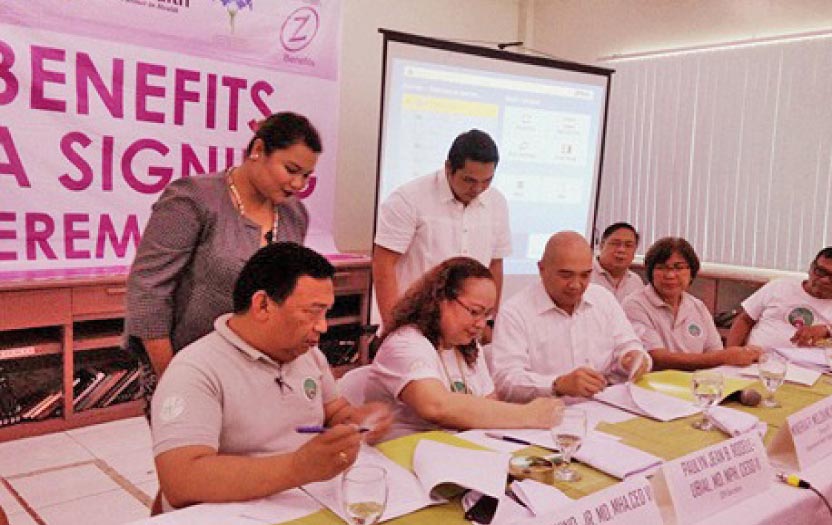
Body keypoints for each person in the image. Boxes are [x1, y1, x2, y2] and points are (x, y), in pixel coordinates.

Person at [150, 242, 392, 511]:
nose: (322, 326)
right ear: (263, 305)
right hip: (233, 513)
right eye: (312, 312)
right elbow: (181, 480)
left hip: (304, 500)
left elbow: (334, 410)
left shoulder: (308, 355)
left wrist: (355, 421)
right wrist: (298, 467)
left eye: (326, 313)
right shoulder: (195, 370)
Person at [125, 112, 321, 412]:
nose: (298, 184)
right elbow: (148, 290)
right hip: (186, 363)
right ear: (258, 151)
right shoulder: (192, 198)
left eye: (306, 176)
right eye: (291, 169)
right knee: (198, 456)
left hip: (261, 370)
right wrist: (173, 376)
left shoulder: (295, 215)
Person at [366, 257, 563, 441]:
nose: (480, 324)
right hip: (402, 456)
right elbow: (436, 406)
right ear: (441, 299)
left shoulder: (467, 346)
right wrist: (528, 415)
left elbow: (490, 404)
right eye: (474, 312)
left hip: (457, 451)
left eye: (487, 315)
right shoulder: (405, 342)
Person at [488, 231, 651, 402]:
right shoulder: (515, 312)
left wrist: (632, 357)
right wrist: (557, 384)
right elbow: (506, 381)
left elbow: (629, 345)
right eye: (566, 275)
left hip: (603, 408)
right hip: (543, 417)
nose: (576, 285)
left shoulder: (603, 299)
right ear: (542, 269)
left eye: (585, 275)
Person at [372, 130, 511, 327]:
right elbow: (383, 264)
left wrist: (488, 321)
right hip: (417, 324)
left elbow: (495, 264)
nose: (478, 189)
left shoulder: (497, 203)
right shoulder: (408, 199)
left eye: (487, 180)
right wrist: (394, 327)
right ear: (448, 168)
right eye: (469, 180)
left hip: (468, 330)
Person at [622, 237, 761, 370]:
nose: (670, 275)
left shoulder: (697, 306)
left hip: (697, 385)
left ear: (692, 272)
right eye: (662, 267)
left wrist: (739, 355)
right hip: (652, 387)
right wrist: (724, 356)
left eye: (678, 267)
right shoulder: (634, 305)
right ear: (650, 272)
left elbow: (714, 350)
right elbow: (657, 359)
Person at [727, 247, 832, 348]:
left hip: (811, 373)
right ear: (811, 268)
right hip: (756, 362)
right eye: (821, 272)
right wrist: (730, 353)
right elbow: (745, 320)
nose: (825, 280)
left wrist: (826, 330)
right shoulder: (779, 286)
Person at [591, 222, 644, 302]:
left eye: (628, 245)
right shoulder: (586, 275)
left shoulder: (636, 282)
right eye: (615, 244)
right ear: (602, 245)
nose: (621, 250)